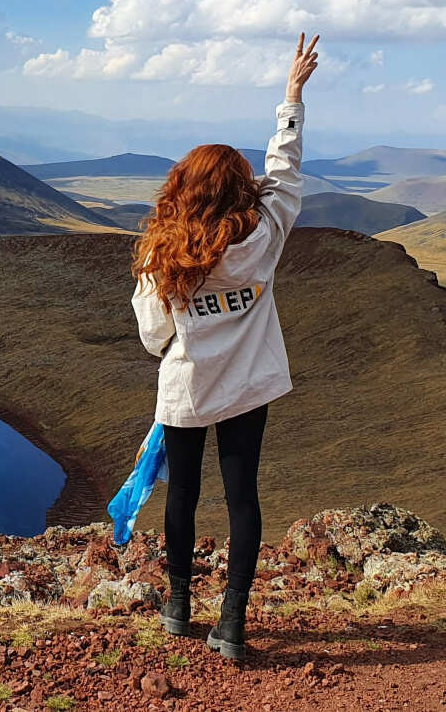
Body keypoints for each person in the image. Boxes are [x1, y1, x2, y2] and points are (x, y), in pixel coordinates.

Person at [129, 33, 320, 659]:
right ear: (240, 188)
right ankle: (233, 624)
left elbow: (153, 336)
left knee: (183, 494)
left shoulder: (163, 254)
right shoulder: (264, 236)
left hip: (186, 390)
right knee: (244, 497)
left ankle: (178, 606)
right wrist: (290, 97)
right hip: (249, 388)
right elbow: (285, 174)